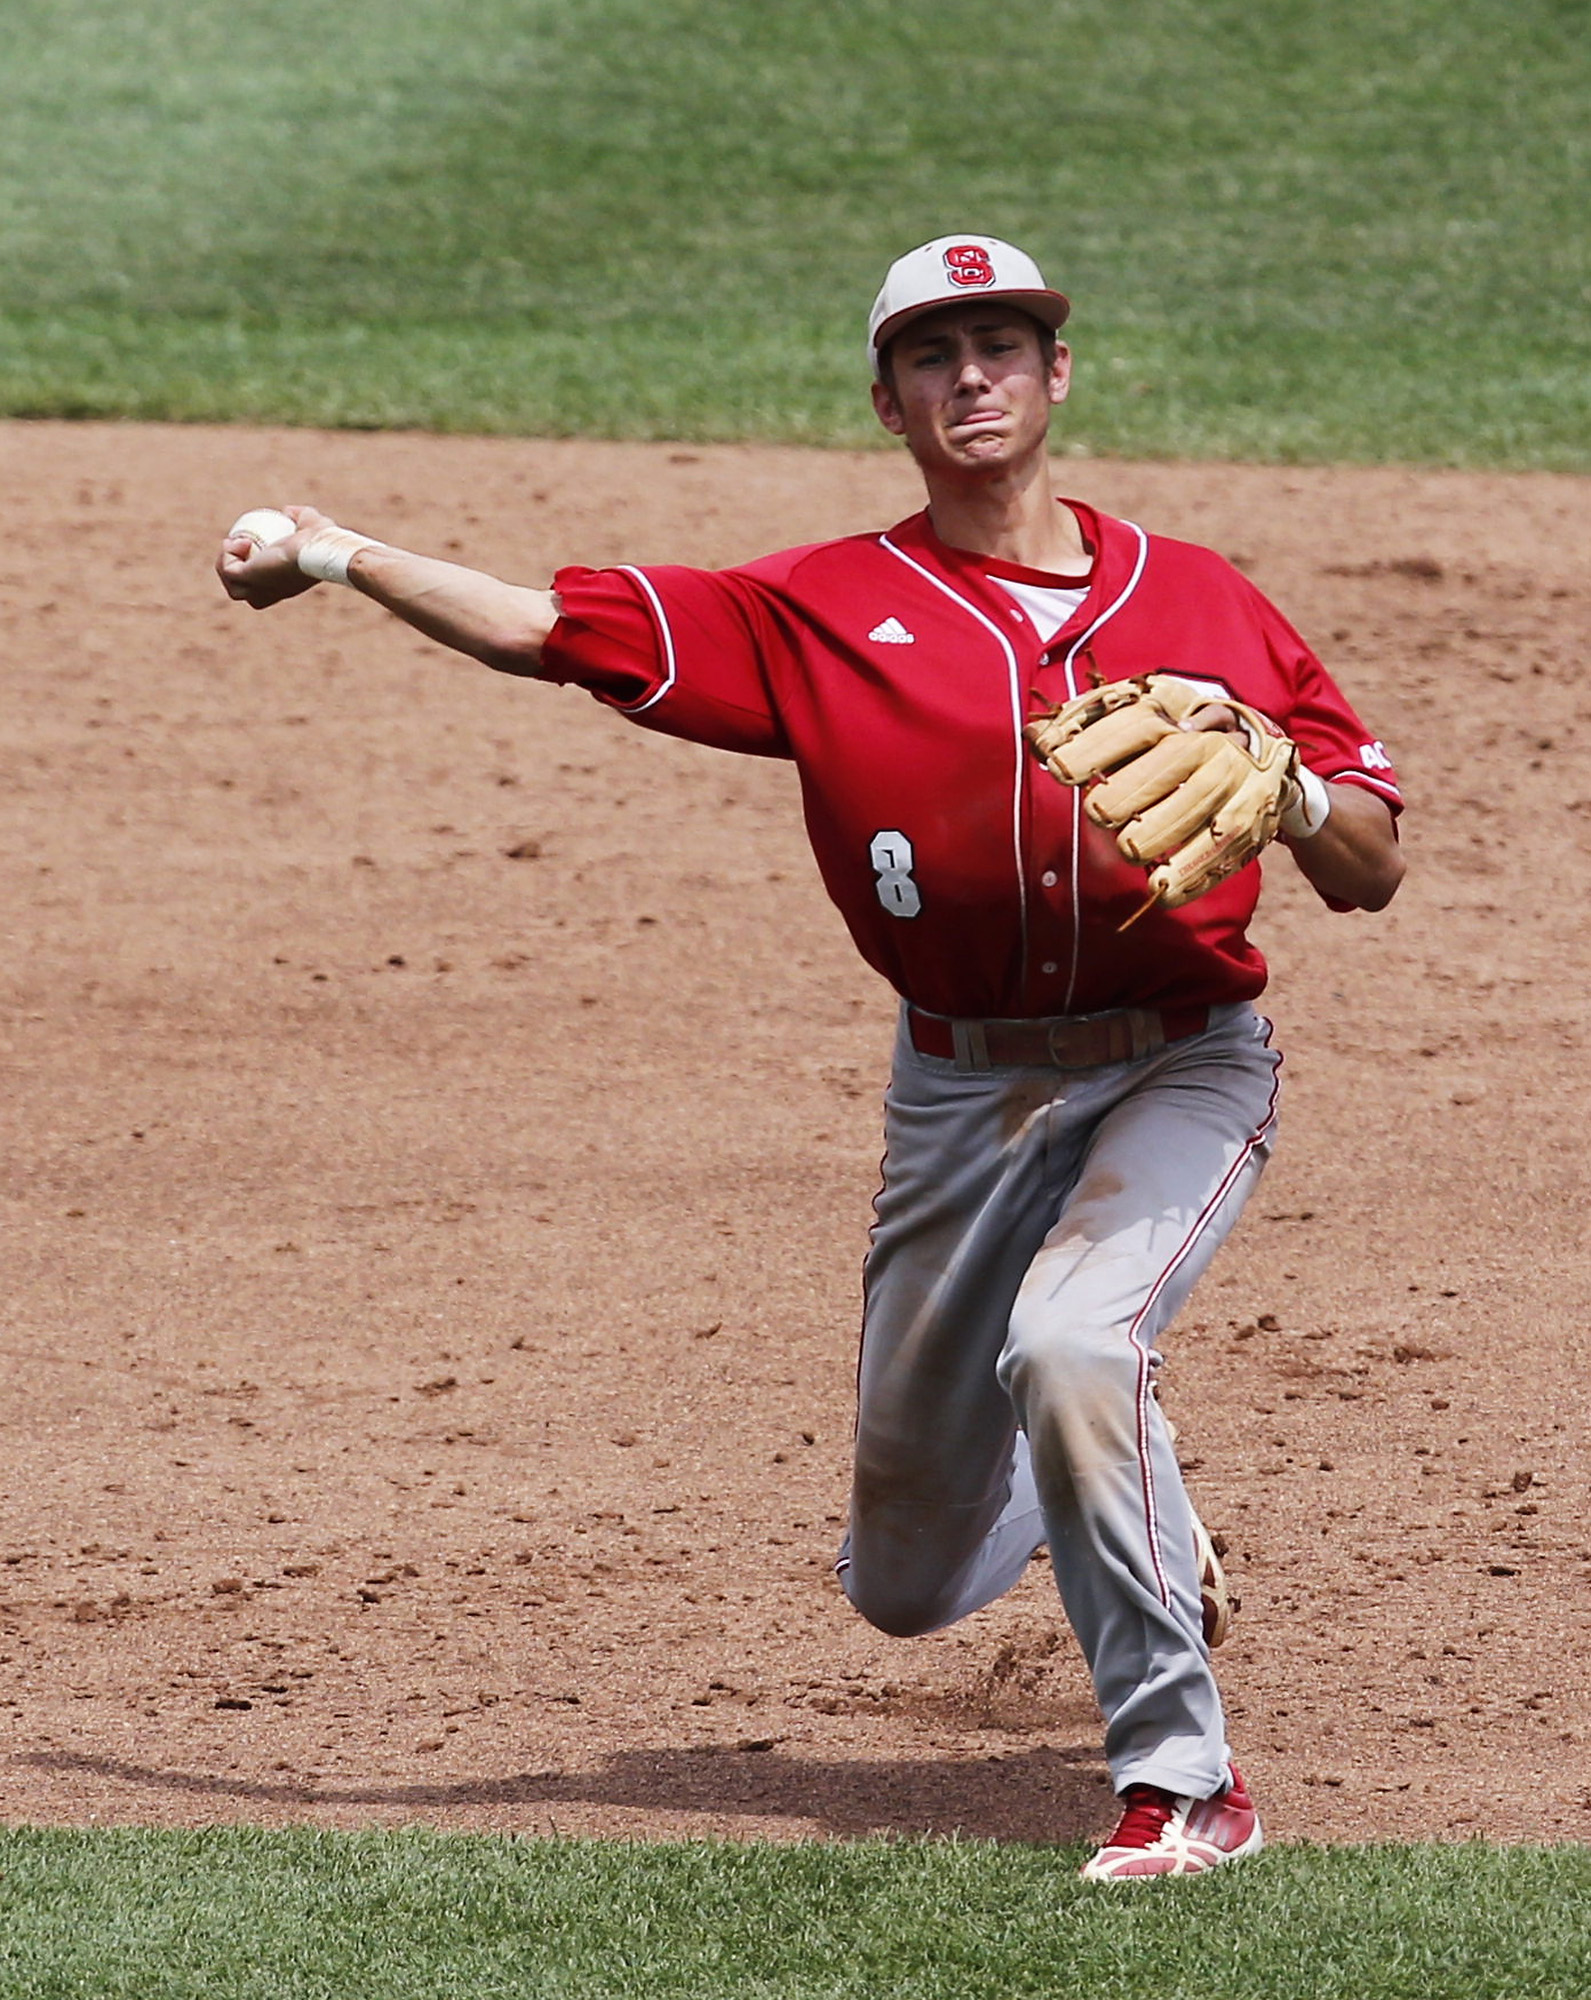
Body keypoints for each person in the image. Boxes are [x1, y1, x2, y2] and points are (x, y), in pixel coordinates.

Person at [217, 234, 1404, 1879]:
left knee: (1070, 1345)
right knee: (902, 1584)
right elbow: (540, 628)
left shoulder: (1207, 597)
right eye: (934, 355)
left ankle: (1185, 1781)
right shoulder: (822, 607)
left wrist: (1291, 796)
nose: (972, 375)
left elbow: (1373, 863)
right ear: (888, 400)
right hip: (960, 1095)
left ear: (1060, 375)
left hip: (1179, 1065)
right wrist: (340, 553)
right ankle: (1136, 1491)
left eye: (1003, 345)